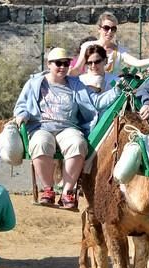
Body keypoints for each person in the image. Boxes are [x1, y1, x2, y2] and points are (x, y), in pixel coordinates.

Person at [13, 47, 121, 209]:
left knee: (77, 143)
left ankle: (67, 192)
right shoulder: (35, 83)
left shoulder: (76, 84)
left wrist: (119, 90)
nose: (63, 67)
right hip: (42, 126)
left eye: (66, 63)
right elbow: (22, 105)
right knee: (40, 142)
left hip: (67, 127)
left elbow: (96, 102)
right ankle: (48, 189)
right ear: (49, 64)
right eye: (58, 63)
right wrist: (22, 115)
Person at [69, 11, 149, 76]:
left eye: (113, 29)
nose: (110, 31)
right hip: (90, 88)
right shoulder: (87, 46)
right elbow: (77, 69)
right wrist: (66, 73)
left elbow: (137, 63)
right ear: (99, 29)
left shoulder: (119, 51)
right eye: (106, 28)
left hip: (111, 92)